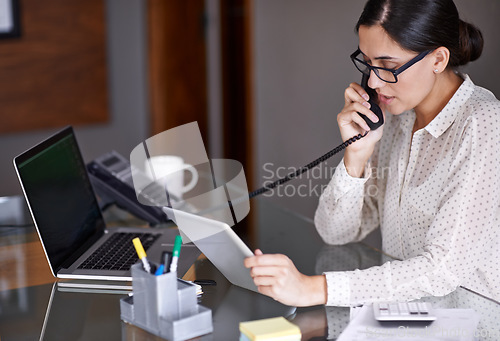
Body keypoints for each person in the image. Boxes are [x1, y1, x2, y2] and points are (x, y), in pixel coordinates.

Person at [244, 0, 499, 307]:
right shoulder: (394, 119)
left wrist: (314, 289)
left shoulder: (484, 125)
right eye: (367, 62)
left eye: (389, 66)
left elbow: (442, 270)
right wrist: (356, 156)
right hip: (410, 317)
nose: (375, 82)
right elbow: (335, 233)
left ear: (438, 59)